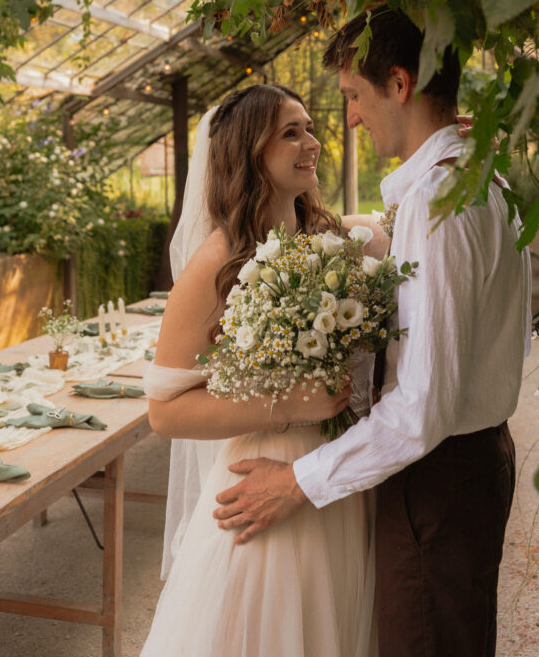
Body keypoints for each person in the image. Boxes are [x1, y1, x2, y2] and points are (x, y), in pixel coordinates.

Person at [213, 9, 532, 657]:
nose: (350, 118)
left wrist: (297, 481)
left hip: (437, 482)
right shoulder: (474, 175)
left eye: (354, 96)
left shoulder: (441, 200)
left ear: (399, 83)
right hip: (463, 469)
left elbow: (422, 408)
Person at [141, 84, 378, 657]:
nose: (313, 143)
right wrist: (291, 404)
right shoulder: (215, 264)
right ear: (250, 152)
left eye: (310, 127)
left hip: (332, 477)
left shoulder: (330, 239)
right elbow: (164, 412)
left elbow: (399, 228)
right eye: (290, 133)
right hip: (261, 481)